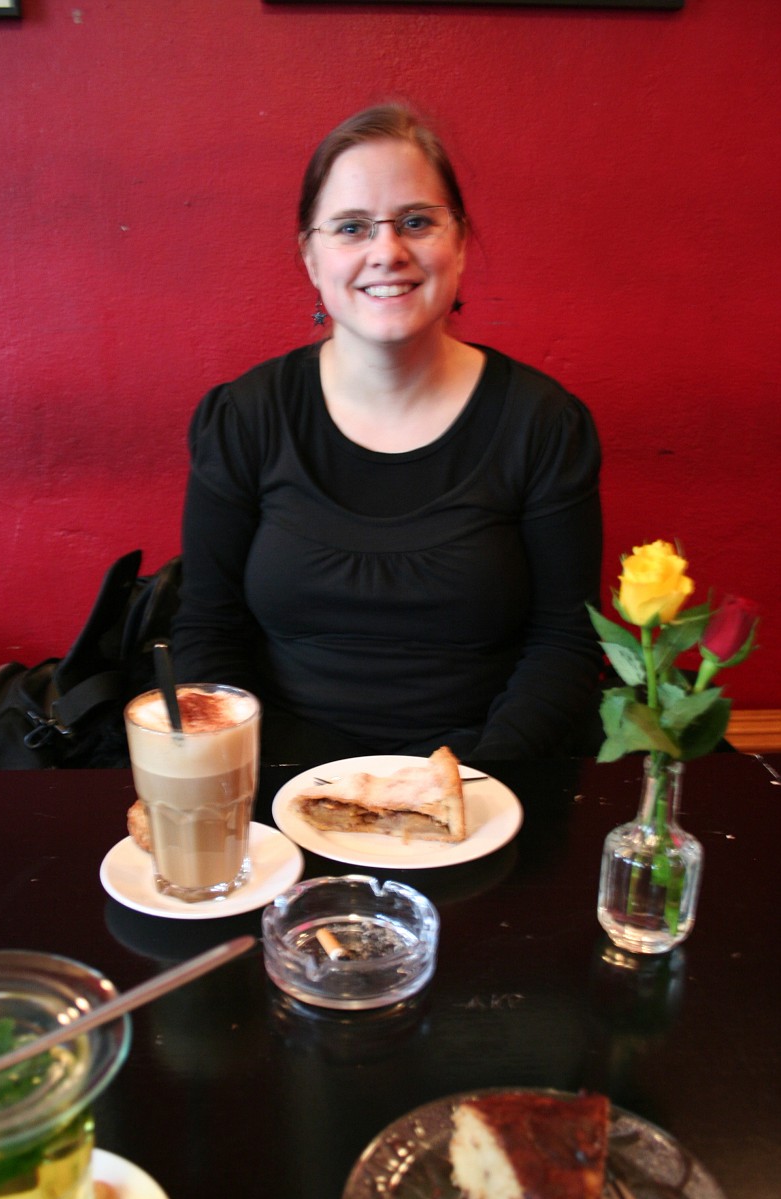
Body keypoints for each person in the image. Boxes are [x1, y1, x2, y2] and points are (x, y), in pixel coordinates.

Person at [172, 104, 603, 767]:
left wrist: (474, 783)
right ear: (311, 258)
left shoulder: (543, 424)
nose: (387, 252)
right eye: (350, 228)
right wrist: (296, 782)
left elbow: (564, 642)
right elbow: (208, 631)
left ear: (459, 243)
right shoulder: (245, 417)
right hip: (281, 780)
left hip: (486, 787)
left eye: (416, 222)